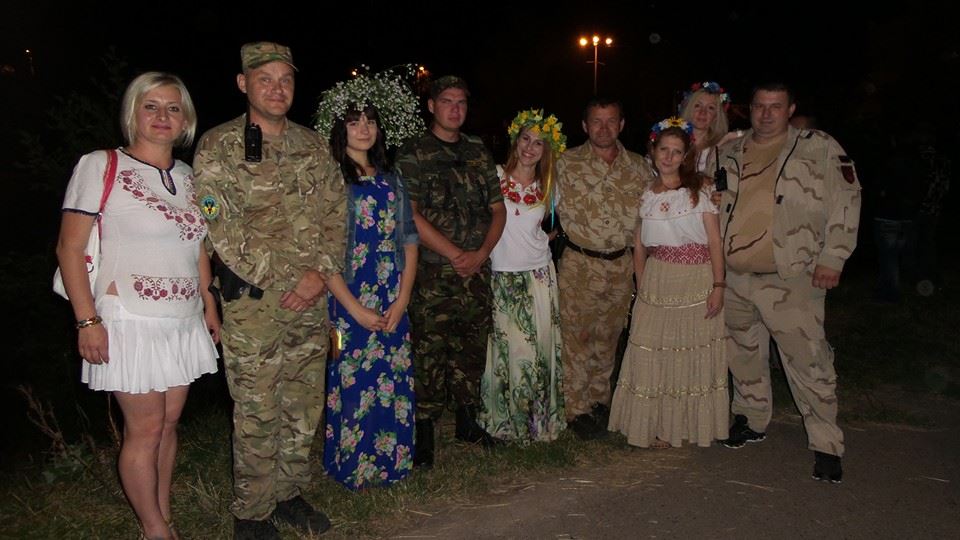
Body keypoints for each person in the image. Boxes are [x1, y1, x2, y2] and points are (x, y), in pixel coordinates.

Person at [55, 72, 218, 540]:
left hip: (182, 317)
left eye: (173, 108)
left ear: (185, 119)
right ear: (133, 113)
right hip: (129, 316)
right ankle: (155, 530)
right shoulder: (100, 165)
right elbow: (69, 247)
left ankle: (161, 517)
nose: (163, 116)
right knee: (144, 429)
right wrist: (87, 320)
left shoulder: (189, 176)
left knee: (169, 424)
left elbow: (197, 246)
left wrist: (209, 304)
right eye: (151, 106)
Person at [193, 42, 345, 538]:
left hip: (311, 301)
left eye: (286, 80)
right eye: (265, 79)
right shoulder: (218, 145)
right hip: (255, 306)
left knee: (303, 404)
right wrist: (290, 279)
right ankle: (252, 512)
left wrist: (319, 275)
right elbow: (220, 226)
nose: (277, 89)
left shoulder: (313, 145)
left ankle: (288, 494)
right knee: (258, 410)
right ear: (244, 84)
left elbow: (336, 214)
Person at [708, 82, 861, 483]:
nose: (766, 114)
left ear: (791, 109)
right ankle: (750, 418)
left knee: (808, 361)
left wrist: (833, 257)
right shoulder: (730, 150)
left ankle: (826, 443)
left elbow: (847, 200)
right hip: (735, 276)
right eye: (760, 106)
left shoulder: (818, 147)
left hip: (792, 276)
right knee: (742, 354)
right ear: (750, 109)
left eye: (775, 106)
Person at [313, 66, 423, 488]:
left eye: (370, 121)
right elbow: (324, 252)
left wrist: (403, 299)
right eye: (354, 122)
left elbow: (409, 240)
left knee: (392, 378)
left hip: (392, 294)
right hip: (349, 296)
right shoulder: (332, 181)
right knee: (353, 380)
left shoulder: (393, 180)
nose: (364, 129)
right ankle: (353, 465)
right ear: (340, 128)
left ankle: (392, 462)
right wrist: (353, 309)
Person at [395, 76, 506, 467]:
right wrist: (456, 254)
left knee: (471, 346)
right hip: (433, 272)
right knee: (428, 350)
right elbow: (410, 213)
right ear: (431, 106)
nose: (455, 109)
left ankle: (467, 422)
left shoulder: (477, 150)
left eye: (461, 102)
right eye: (446, 101)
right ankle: (424, 432)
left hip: (476, 269)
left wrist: (481, 253)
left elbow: (498, 209)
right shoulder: (413, 152)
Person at [607, 117, 727, 448]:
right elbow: (639, 246)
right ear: (654, 151)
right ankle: (655, 425)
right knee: (654, 351)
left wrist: (718, 286)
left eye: (676, 152)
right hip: (658, 277)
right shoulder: (646, 193)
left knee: (687, 352)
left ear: (685, 156)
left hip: (696, 276)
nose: (669, 157)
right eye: (664, 150)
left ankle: (684, 426)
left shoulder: (700, 190)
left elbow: (714, 241)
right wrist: (642, 286)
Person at [556, 98, 653, 440]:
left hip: (621, 265)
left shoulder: (640, 167)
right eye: (596, 121)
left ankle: (599, 401)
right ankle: (575, 408)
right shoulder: (565, 163)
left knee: (609, 337)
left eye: (611, 121)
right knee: (576, 338)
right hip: (579, 264)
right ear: (584, 126)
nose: (603, 128)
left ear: (621, 124)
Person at [478, 109, 567, 444]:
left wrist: (548, 238)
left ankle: (536, 423)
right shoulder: (494, 176)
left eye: (538, 143)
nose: (530, 147)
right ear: (516, 141)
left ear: (546, 150)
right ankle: (504, 422)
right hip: (502, 275)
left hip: (539, 275)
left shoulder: (549, 186)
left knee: (537, 350)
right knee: (508, 351)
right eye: (526, 139)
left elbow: (556, 225)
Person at [679, 81, 741, 173]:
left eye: (710, 108)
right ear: (689, 109)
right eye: (697, 106)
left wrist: (725, 139)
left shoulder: (724, 145)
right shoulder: (673, 141)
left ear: (716, 116)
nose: (702, 112)